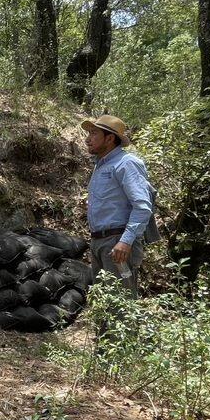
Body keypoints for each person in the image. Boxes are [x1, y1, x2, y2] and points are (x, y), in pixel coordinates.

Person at [82, 114, 159, 298]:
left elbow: (142, 206)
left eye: (94, 133)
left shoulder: (126, 163)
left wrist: (126, 241)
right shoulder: (100, 166)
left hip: (118, 243)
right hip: (99, 241)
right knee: (104, 303)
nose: (87, 139)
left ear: (109, 138)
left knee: (121, 304)